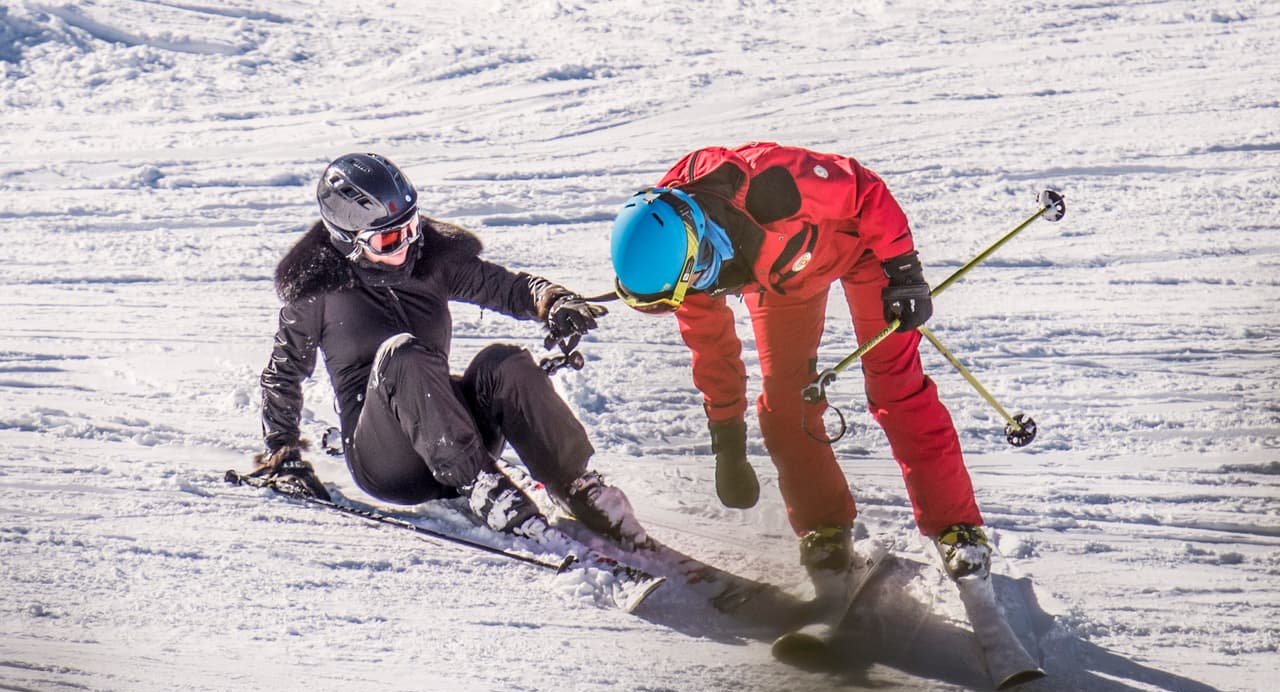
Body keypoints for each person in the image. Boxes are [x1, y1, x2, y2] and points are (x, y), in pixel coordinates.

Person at [608, 142, 989, 597]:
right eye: (692, 286)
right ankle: (825, 528)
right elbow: (713, 352)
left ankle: (957, 528)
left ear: (699, 234)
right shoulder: (682, 273)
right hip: (784, 279)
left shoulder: (770, 184)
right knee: (786, 404)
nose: (706, 287)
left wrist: (903, 269)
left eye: (705, 270)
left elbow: (863, 191)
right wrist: (728, 440)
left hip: (863, 251)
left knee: (895, 386)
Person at [254, 152, 646, 548]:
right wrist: (283, 455)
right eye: (389, 239)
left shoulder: (430, 258)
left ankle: (574, 482)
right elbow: (282, 373)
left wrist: (552, 301)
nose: (406, 246)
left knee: (504, 362)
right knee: (401, 353)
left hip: (454, 437)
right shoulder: (317, 291)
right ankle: (485, 489)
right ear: (347, 239)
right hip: (391, 463)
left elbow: (506, 286)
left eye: (411, 228)